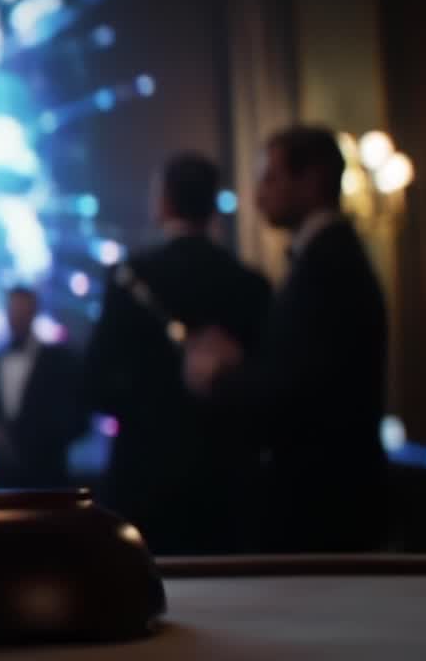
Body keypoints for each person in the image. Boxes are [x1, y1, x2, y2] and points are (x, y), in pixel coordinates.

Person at [184, 126, 389, 553]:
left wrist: (220, 374)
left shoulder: (329, 264)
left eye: (270, 178)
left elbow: (305, 391)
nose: (258, 193)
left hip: (323, 507)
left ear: (312, 179)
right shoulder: (323, 257)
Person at [84, 153, 271, 554]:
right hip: (226, 486)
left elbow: (97, 384)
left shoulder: (128, 277)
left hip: (142, 481)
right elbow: (269, 391)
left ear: (164, 200)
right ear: (212, 205)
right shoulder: (251, 285)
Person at [0, 287, 87, 488]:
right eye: (13, 310)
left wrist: (39, 443)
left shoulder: (61, 362)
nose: (17, 316)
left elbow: (79, 419)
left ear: (34, 312)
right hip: (1, 482)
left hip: (50, 480)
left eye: (23, 310)